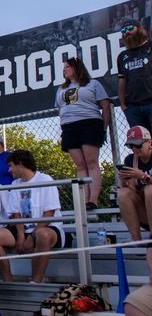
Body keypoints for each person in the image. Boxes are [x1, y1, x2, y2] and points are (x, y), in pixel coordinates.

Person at [0, 149, 64, 283]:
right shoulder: (15, 184)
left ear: (20, 164)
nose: (9, 170)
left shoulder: (45, 179)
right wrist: (21, 235)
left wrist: (32, 236)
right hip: (24, 229)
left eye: (11, 166)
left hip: (48, 228)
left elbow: (49, 214)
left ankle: (35, 282)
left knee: (43, 235)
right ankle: (8, 281)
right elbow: (16, 213)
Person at [55, 56, 110, 210]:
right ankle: (83, 200)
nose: (64, 69)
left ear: (76, 68)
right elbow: (60, 108)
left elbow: (105, 106)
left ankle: (93, 200)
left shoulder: (93, 84)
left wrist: (103, 128)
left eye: (67, 67)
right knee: (80, 165)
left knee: (91, 163)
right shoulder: (61, 89)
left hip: (89, 124)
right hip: (69, 127)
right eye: (64, 67)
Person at [117, 126, 152, 244]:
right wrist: (124, 181)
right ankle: (137, 241)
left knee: (150, 189)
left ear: (149, 142)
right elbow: (131, 190)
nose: (135, 149)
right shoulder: (131, 160)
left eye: (138, 145)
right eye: (131, 146)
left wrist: (144, 177)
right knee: (123, 193)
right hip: (145, 212)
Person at [117, 20, 152, 131]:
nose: (126, 32)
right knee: (143, 144)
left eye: (130, 28)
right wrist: (123, 105)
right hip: (133, 108)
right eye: (123, 30)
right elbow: (122, 82)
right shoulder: (122, 56)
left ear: (139, 29)